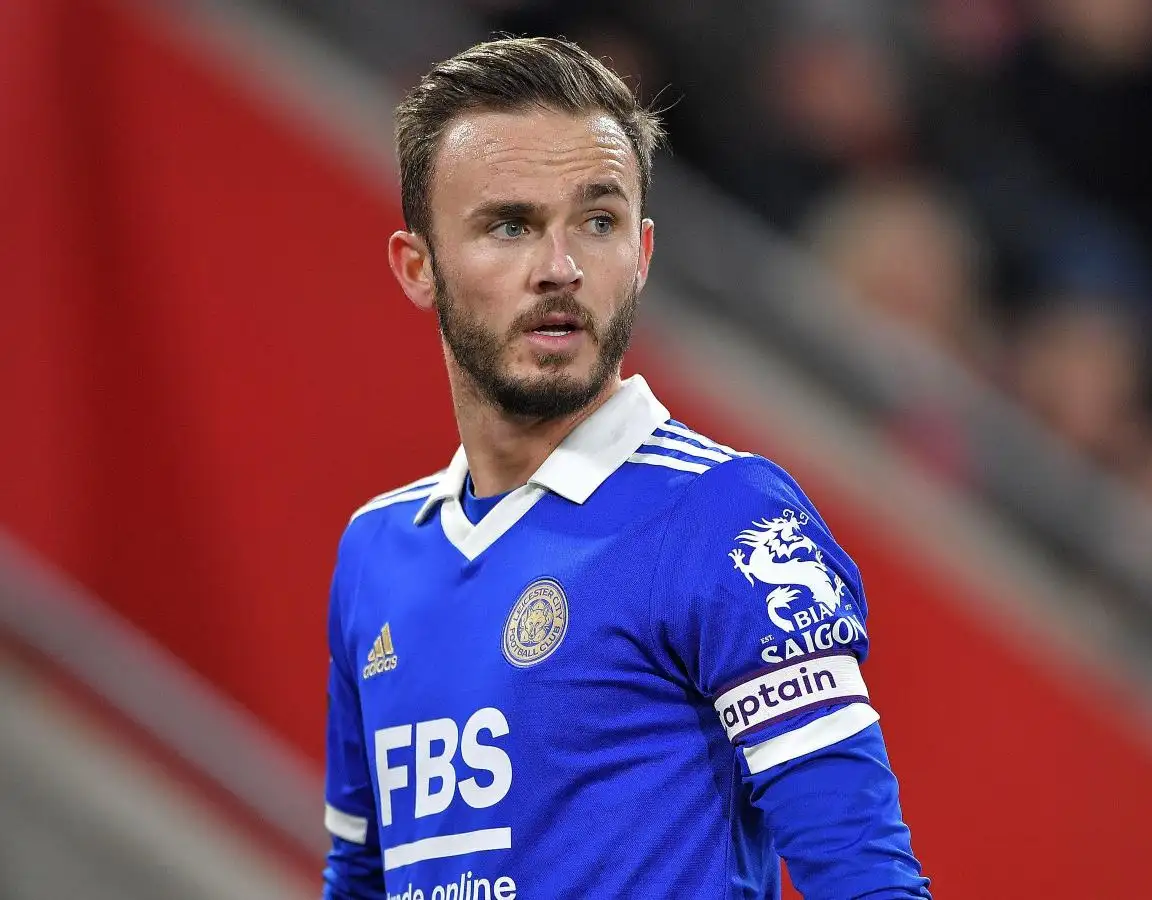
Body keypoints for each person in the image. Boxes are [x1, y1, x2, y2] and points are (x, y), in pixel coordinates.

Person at [320, 37, 929, 900]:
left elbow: (864, 879)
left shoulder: (726, 519)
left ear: (640, 255)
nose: (560, 269)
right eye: (509, 225)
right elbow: (361, 881)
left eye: (596, 222)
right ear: (419, 268)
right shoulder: (374, 554)